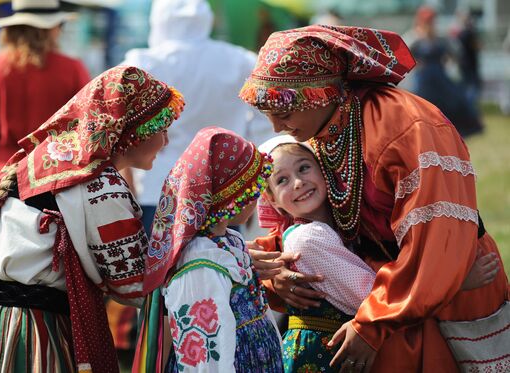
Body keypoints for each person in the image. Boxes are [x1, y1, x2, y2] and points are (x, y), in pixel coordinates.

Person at [239, 24, 509, 372]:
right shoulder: (329, 128)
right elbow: (319, 219)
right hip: (386, 298)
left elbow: (435, 243)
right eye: (268, 115)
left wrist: (374, 322)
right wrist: (276, 272)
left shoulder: (405, 127)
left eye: (284, 112)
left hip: (444, 283)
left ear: (319, 92)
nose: (276, 127)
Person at [0, 65, 185, 372]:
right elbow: (133, 286)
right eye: (160, 128)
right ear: (133, 133)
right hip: (36, 335)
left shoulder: (41, 159)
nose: (166, 141)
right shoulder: (99, 185)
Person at [258, 135, 500, 372]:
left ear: (323, 171)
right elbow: (371, 298)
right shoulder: (308, 239)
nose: (298, 182)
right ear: (273, 202)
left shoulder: (338, 225)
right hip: (325, 356)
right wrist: (452, 285)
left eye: (304, 168)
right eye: (282, 181)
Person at [133, 127, 282, 372]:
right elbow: (204, 360)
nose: (258, 196)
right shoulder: (199, 266)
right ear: (231, 193)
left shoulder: (227, 240)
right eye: (253, 188)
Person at [120, 0, 273, 234]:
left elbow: (117, 123)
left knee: (163, 267)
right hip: (223, 189)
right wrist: (248, 180)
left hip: (159, 188)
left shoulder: (143, 63)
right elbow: (266, 121)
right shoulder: (240, 60)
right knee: (224, 264)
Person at [0, 0, 90, 193]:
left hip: (4, 175)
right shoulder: (72, 69)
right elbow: (87, 126)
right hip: (57, 174)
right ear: (50, 28)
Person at [406, 5, 483, 138]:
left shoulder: (441, 38)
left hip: (440, 77)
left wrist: (449, 64)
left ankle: (451, 133)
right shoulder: (414, 38)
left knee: (453, 103)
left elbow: (456, 52)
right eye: (427, 21)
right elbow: (402, 55)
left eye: (431, 21)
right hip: (423, 80)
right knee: (421, 108)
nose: (430, 24)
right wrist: (416, 65)